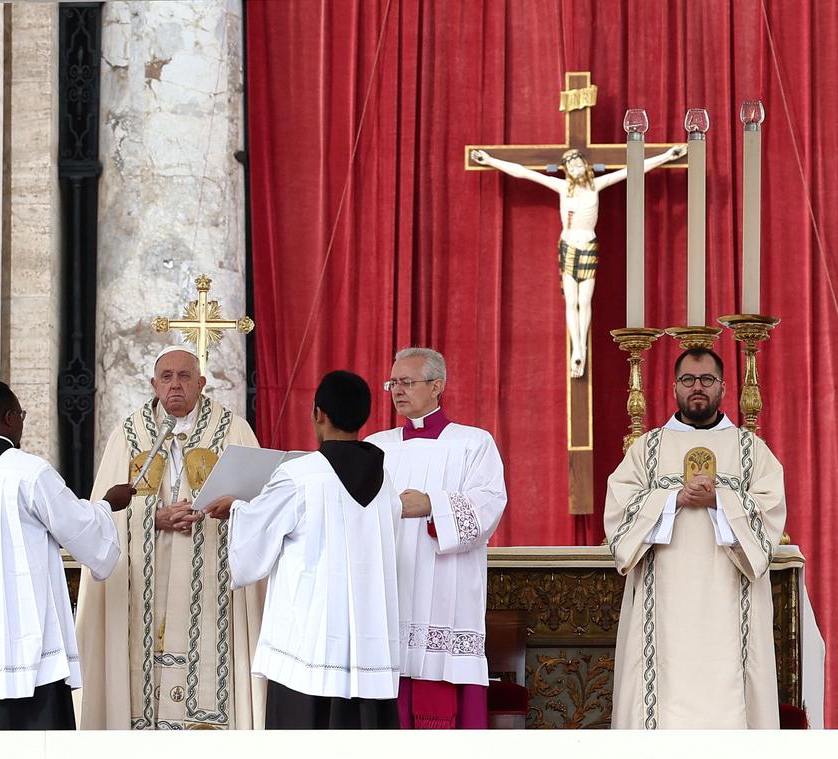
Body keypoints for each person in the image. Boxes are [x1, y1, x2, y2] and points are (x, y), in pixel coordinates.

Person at [0, 380, 135, 730]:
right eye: (20, 415)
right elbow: (78, 528)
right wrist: (109, 504)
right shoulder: (28, 472)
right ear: (9, 417)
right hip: (26, 658)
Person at [76, 345, 264, 730]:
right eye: (166, 377)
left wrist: (227, 509)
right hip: (146, 580)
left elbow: (262, 507)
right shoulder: (128, 435)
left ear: (201, 383)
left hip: (213, 580)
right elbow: (99, 517)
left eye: (184, 377)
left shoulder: (233, 430)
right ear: (153, 384)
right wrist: (153, 518)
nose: (175, 385)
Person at [206, 371, 402, 729]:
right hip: (368, 643)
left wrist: (235, 508)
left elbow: (253, 548)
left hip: (308, 645)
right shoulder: (386, 480)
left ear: (319, 414)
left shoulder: (299, 475)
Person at [605, 347, 785, 729]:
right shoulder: (647, 449)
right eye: (688, 380)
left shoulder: (751, 450)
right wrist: (674, 498)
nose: (697, 387)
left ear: (722, 386)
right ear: (674, 387)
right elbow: (620, 517)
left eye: (706, 380)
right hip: (663, 596)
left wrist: (720, 499)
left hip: (730, 594)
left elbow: (770, 514)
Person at [365, 347, 507, 729]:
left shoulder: (473, 443)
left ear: (436, 386)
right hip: (391, 581)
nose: (397, 390)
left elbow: (490, 504)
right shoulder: (377, 447)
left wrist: (432, 506)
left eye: (407, 382)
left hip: (447, 583)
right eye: (393, 383)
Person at [471, 144, 687, 378]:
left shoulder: (596, 186)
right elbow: (523, 172)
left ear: (585, 166)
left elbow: (633, 170)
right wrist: (489, 160)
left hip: (588, 246)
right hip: (569, 246)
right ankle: (577, 348)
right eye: (569, 165)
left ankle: (581, 347)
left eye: (577, 163)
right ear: (565, 170)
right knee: (571, 301)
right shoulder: (563, 187)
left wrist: (667, 155)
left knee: (585, 302)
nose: (574, 167)